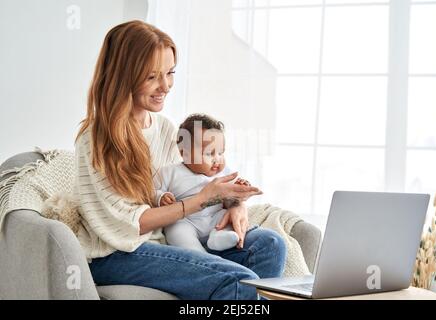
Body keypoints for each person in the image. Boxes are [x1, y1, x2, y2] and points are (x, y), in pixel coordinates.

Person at [74, 20, 286, 300]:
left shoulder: (164, 128)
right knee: (239, 280)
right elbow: (126, 225)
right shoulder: (95, 139)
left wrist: (236, 204)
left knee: (271, 244)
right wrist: (202, 199)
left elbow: (191, 182)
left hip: (170, 239)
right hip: (119, 253)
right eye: (152, 77)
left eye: (170, 73)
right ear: (123, 76)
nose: (165, 86)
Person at [157, 113, 258, 252]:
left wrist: (240, 187)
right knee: (175, 230)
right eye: (210, 154)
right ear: (184, 153)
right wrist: (161, 197)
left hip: (214, 218)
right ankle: (197, 254)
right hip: (186, 221)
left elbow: (233, 196)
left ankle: (219, 238)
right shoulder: (170, 172)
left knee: (227, 217)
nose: (217, 159)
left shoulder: (224, 173)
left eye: (221, 153)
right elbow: (152, 191)